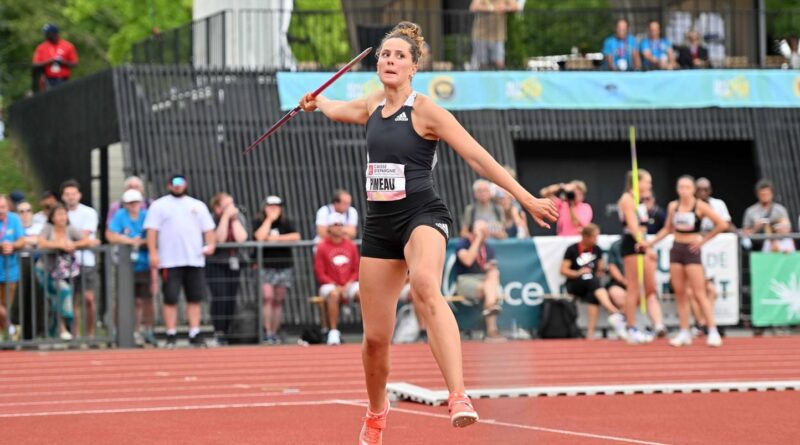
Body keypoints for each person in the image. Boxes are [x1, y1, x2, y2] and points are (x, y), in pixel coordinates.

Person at [298, 21, 557, 442]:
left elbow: (477, 157)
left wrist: (524, 198)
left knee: (424, 285)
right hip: (380, 226)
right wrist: (317, 102)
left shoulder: (425, 111)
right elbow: (338, 109)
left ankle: (458, 395)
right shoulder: (370, 107)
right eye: (385, 55)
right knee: (375, 341)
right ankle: (377, 412)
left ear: (414, 67)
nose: (390, 61)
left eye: (399, 56)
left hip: (422, 214)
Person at [649, 176, 726, 347]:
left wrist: (702, 241)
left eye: (687, 187)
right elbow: (667, 229)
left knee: (699, 293)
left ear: (693, 189)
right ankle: (684, 331)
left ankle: (712, 330)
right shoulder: (673, 206)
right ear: (677, 189)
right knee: (680, 293)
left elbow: (721, 224)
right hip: (676, 249)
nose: (684, 190)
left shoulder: (700, 206)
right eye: (681, 187)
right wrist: (650, 243)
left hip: (692, 250)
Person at [145, 174, 216, 348]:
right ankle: (171, 333)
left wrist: (211, 245)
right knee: (170, 298)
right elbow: (151, 231)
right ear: (169, 185)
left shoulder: (197, 205)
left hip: (194, 259)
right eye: (174, 183)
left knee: (195, 297)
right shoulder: (159, 205)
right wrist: (153, 253)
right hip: (169, 261)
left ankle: (194, 332)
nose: (177, 186)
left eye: (180, 183)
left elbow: (209, 229)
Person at [617, 169, 665, 344]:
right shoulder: (627, 199)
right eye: (647, 182)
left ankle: (625, 320)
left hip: (641, 243)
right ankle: (630, 327)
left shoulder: (640, 200)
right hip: (633, 244)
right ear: (637, 182)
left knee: (648, 287)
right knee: (634, 289)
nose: (650, 185)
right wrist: (646, 247)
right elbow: (632, 226)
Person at [37, 204, 97, 340]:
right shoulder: (48, 228)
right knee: (62, 294)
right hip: (48, 270)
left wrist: (73, 244)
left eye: (64, 214)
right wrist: (59, 244)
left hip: (66, 271)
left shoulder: (70, 228)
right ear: (52, 217)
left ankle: (66, 331)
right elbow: (41, 242)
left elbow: (86, 240)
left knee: (64, 299)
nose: (62, 217)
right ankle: (62, 328)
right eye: (58, 214)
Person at [106, 189, 156, 346]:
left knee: (146, 299)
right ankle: (116, 330)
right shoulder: (120, 215)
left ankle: (145, 330)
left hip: (144, 263)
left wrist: (140, 242)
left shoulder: (146, 215)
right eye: (130, 203)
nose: (134, 206)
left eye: (136, 202)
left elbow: (153, 236)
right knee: (122, 299)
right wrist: (127, 240)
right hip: (125, 265)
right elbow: (110, 235)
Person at [561, 224, 627, 340]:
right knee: (592, 281)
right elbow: (563, 270)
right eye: (594, 237)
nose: (596, 239)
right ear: (585, 236)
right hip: (575, 283)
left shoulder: (597, 249)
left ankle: (590, 334)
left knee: (593, 292)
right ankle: (615, 312)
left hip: (592, 285)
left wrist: (600, 271)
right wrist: (579, 272)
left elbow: (600, 268)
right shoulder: (572, 249)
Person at [253, 195, 301, 344]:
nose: (274, 209)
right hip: (265, 265)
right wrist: (269, 219)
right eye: (271, 206)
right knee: (267, 297)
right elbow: (259, 236)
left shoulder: (286, 222)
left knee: (278, 300)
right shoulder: (259, 221)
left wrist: (275, 239)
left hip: (283, 265)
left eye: (277, 206)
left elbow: (296, 236)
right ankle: (267, 332)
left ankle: (274, 332)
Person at [206, 192, 248, 345]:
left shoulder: (238, 218)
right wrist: (224, 218)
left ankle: (228, 330)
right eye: (227, 205)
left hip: (234, 263)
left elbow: (242, 238)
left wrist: (234, 219)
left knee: (231, 298)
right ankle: (219, 331)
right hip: (216, 263)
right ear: (218, 207)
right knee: (220, 297)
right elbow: (219, 239)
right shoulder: (211, 219)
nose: (232, 208)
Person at [314, 213, 360, 345]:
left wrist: (348, 284)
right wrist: (335, 285)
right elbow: (320, 272)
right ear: (329, 228)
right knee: (333, 294)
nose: (339, 228)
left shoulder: (351, 245)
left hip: (349, 283)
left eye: (341, 225)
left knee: (363, 294)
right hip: (329, 284)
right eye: (335, 225)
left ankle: (368, 331)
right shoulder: (322, 246)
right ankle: (333, 332)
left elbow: (357, 269)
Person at [455, 221, 505, 343]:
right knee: (492, 291)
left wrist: (489, 267)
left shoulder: (488, 247)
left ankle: (489, 305)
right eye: (481, 231)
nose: (484, 233)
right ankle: (492, 331)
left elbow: (491, 268)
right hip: (465, 280)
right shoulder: (463, 243)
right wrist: (477, 240)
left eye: (485, 230)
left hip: (484, 281)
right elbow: (467, 260)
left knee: (494, 274)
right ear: (473, 232)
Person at [60, 179, 99, 337]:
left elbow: (84, 235)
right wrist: (83, 242)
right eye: (67, 194)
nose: (71, 197)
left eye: (73, 193)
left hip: (86, 261)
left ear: (79, 195)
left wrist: (71, 244)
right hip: (66, 263)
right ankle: (76, 336)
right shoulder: (60, 213)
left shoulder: (89, 212)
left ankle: (90, 335)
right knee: (73, 300)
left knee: (89, 298)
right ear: (63, 196)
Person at [0, 195, 27, 341]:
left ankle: (4, 334)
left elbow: (22, 240)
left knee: (5, 305)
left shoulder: (14, 219)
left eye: (3, 207)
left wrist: (13, 245)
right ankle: (11, 328)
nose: (1, 211)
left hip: (10, 270)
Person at [469, 0, 519, 70]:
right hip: (481, 35)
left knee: (499, 63)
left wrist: (505, 8)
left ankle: (499, 80)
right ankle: (483, 80)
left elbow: (516, 7)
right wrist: (492, 8)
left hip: (498, 35)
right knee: (482, 64)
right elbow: (473, 7)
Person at [32, 24, 78, 90]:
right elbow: (35, 64)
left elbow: (74, 63)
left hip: (64, 79)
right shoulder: (41, 47)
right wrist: (50, 61)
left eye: (47, 33)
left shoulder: (68, 45)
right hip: (49, 80)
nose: (45, 36)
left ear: (54, 33)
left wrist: (62, 62)